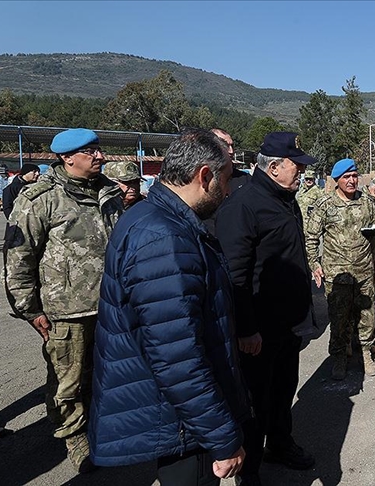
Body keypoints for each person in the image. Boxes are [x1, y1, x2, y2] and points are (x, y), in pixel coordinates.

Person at [88, 129, 249, 485]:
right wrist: (221, 437)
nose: (227, 191)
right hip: (181, 420)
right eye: (225, 180)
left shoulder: (156, 218)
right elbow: (178, 358)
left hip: (175, 411)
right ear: (204, 176)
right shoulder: (165, 238)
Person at [2, 128, 123, 473]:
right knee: (67, 378)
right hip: (66, 310)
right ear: (68, 157)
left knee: (103, 374)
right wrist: (30, 310)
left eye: (99, 149)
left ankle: (99, 427)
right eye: (91, 151)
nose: (100, 156)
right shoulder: (41, 199)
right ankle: (74, 437)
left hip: (109, 305)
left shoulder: (108, 193)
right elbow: (18, 258)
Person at [216, 132, 317, 482]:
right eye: (296, 165)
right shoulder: (243, 206)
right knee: (256, 402)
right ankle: (250, 473)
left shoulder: (285, 198)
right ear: (273, 167)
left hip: (288, 324)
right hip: (259, 331)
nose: (302, 171)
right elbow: (236, 275)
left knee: (283, 390)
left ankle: (280, 443)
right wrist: (246, 329)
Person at [306, 158, 375, 380]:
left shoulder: (366, 202)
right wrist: (314, 264)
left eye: (355, 176)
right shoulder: (325, 204)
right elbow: (311, 237)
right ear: (337, 180)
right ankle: (339, 357)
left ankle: (366, 353)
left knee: (366, 316)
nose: (351, 180)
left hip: (363, 271)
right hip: (336, 275)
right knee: (339, 319)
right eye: (346, 177)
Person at [212, 128, 251, 195]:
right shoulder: (199, 180)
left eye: (232, 146)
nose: (231, 151)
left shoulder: (245, 179)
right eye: (225, 145)